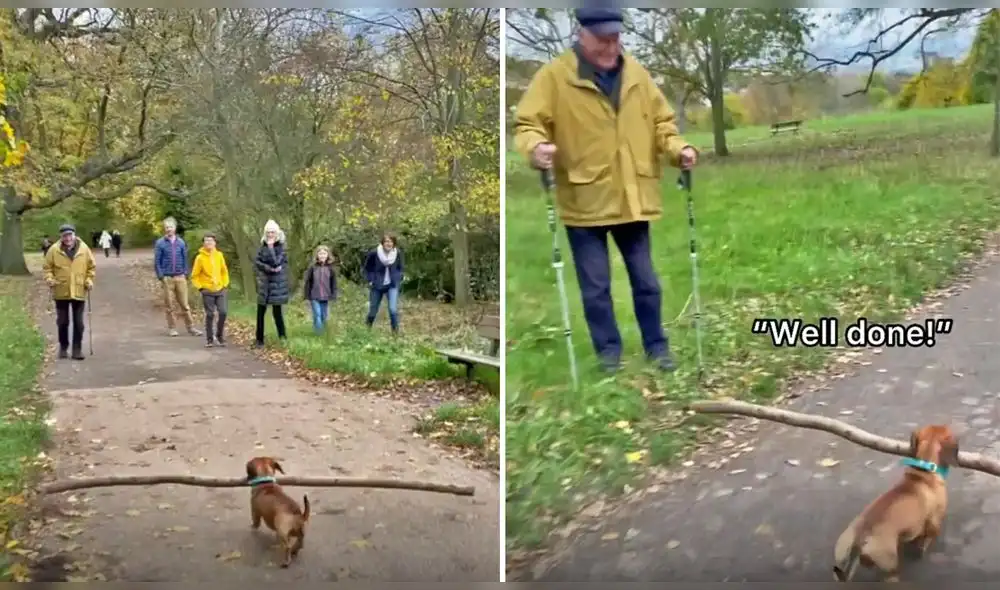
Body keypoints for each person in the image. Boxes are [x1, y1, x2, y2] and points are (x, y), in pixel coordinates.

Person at [514, 7, 700, 374]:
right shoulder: (554, 77)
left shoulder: (637, 75)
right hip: (584, 200)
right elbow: (527, 124)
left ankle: (657, 347)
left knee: (647, 282)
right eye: (603, 39)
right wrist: (536, 148)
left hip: (633, 197)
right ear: (582, 34)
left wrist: (679, 150)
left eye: (615, 38)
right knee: (596, 289)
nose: (611, 46)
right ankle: (608, 355)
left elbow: (663, 124)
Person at [43, 224, 96, 360]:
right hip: (61, 289)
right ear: (61, 237)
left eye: (69, 235)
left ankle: (77, 350)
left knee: (79, 323)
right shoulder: (54, 250)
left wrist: (89, 280)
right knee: (62, 322)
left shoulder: (84, 248)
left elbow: (91, 267)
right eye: (64, 236)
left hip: (79, 289)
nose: (67, 238)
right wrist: (49, 278)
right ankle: (63, 347)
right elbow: (47, 268)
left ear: (74, 235)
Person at [154, 217, 202, 337]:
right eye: (167, 227)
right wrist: (161, 276)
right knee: (169, 305)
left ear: (175, 228)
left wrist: (185, 273)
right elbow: (157, 261)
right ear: (164, 229)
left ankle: (191, 327)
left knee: (185, 305)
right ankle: (172, 328)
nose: (169, 229)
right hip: (167, 278)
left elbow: (185, 259)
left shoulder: (181, 242)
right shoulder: (160, 243)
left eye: (171, 227)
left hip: (180, 277)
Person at [190, 233, 230, 347]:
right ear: (203, 243)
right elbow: (195, 276)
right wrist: (201, 287)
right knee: (210, 314)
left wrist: (225, 284)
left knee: (223, 312)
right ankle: (209, 339)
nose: (209, 243)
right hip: (207, 290)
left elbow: (224, 271)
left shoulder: (219, 255)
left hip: (220, 289)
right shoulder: (200, 258)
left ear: (215, 243)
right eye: (206, 241)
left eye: (211, 240)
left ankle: (219, 336)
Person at [254, 219, 289, 347]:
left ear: (277, 233)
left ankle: (282, 337)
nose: (270, 235)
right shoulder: (262, 247)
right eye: (268, 232)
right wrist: (267, 268)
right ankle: (259, 340)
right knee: (260, 312)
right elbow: (257, 262)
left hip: (277, 285)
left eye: (272, 232)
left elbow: (276, 262)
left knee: (277, 312)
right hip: (264, 284)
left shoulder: (281, 248)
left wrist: (270, 248)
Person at [363, 233, 403, 334]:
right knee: (373, 311)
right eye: (386, 241)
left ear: (394, 243)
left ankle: (395, 333)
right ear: (382, 243)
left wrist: (398, 278)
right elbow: (367, 269)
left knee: (393, 310)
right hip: (377, 285)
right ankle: (366, 330)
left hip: (392, 285)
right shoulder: (374, 253)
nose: (388, 244)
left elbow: (400, 268)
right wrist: (371, 280)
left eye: (391, 242)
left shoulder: (397, 253)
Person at [302, 245, 338, 334]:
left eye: (324, 253)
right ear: (317, 255)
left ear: (328, 255)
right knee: (317, 314)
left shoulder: (331, 268)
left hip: (326, 295)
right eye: (320, 254)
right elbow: (308, 282)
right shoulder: (313, 267)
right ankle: (319, 334)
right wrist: (306, 295)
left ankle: (323, 333)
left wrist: (333, 294)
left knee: (323, 316)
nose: (322, 256)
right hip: (314, 295)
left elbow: (333, 283)